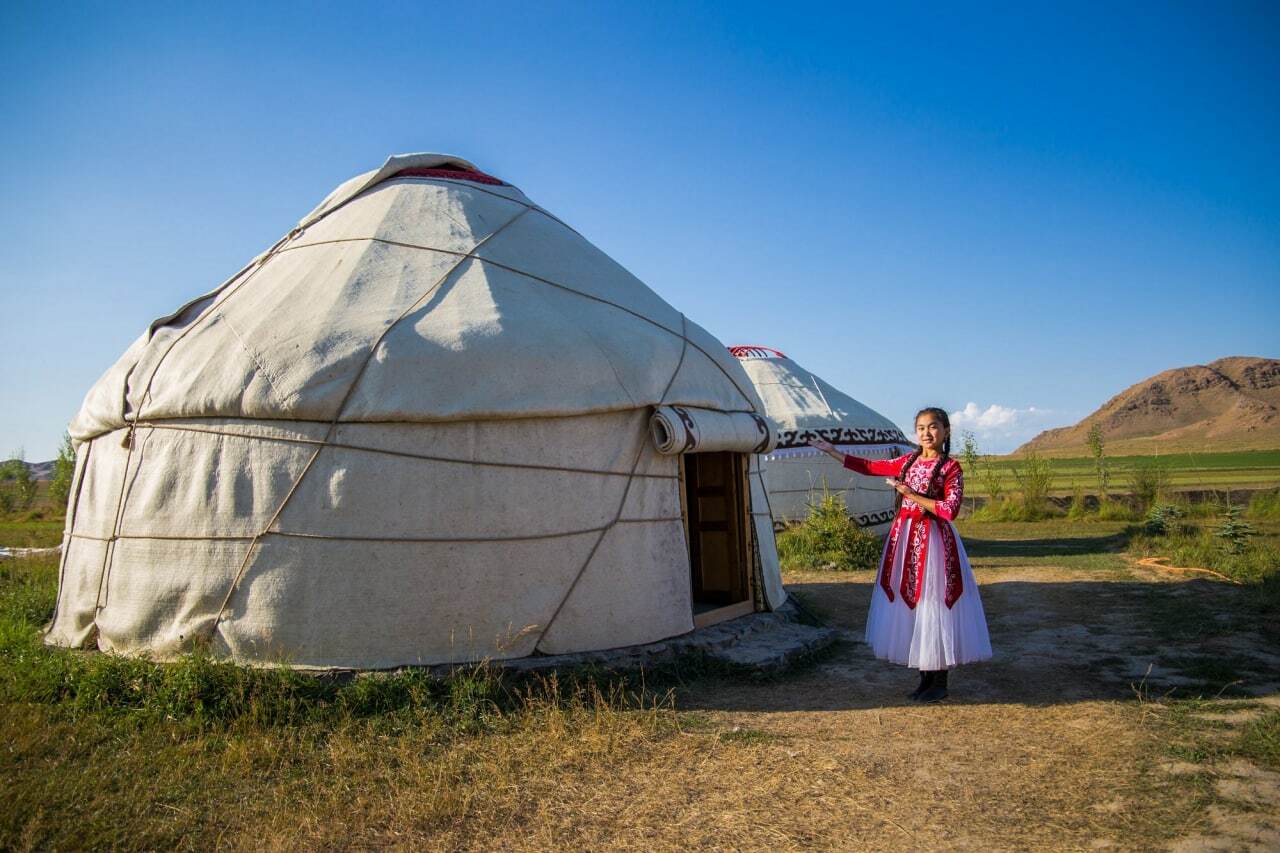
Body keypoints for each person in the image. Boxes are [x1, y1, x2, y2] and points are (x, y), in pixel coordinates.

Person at [808, 407, 991, 702]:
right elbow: (870, 467)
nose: (926, 433)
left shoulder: (951, 469)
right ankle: (924, 678)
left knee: (934, 603)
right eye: (920, 428)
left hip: (934, 543)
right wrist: (832, 451)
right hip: (905, 541)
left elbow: (949, 510)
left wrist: (911, 495)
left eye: (933, 427)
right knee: (912, 605)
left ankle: (939, 681)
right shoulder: (908, 461)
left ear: (945, 430)